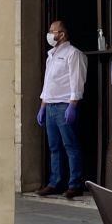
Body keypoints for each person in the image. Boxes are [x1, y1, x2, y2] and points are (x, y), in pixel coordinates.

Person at [35, 19, 88, 200]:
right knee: (54, 147)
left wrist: (73, 105)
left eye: (53, 31)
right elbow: (48, 83)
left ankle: (75, 184)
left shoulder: (73, 54)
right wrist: (43, 106)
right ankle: (55, 182)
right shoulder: (51, 55)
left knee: (70, 145)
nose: (50, 34)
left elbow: (77, 81)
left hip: (65, 106)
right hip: (50, 106)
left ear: (62, 34)